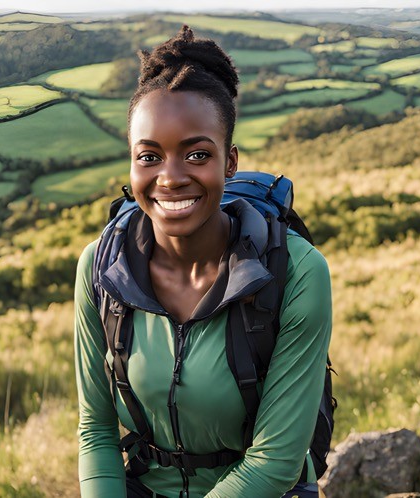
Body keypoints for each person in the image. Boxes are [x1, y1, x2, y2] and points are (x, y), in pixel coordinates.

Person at [74, 25, 332, 498]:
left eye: (196, 154)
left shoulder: (294, 272)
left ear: (229, 163)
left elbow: (274, 462)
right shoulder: (100, 268)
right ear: (131, 166)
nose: (170, 178)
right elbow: (96, 429)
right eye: (149, 156)